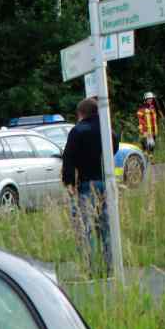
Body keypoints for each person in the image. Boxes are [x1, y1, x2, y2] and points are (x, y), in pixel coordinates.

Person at [61, 97, 110, 275]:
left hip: (86, 185)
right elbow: (115, 146)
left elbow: (68, 159)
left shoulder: (77, 131)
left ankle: (89, 268)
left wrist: (69, 184)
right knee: (106, 228)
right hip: (106, 183)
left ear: (81, 113)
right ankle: (110, 266)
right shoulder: (107, 129)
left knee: (85, 228)